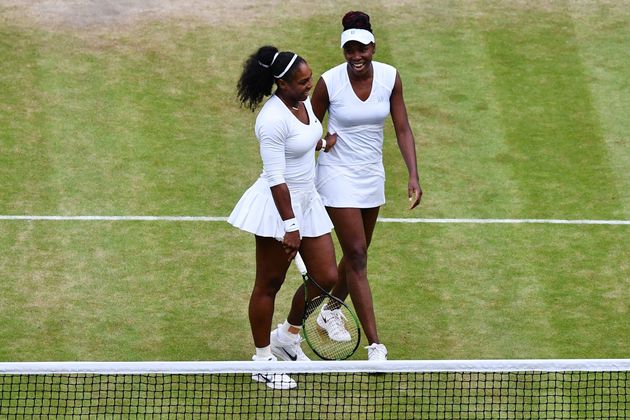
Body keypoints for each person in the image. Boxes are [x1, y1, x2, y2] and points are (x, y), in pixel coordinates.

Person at [311, 11, 423, 361]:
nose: (355, 56)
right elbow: (306, 124)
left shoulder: (391, 77)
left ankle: (330, 312)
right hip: (336, 173)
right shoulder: (329, 82)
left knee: (357, 253)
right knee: (357, 255)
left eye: (361, 49)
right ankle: (376, 346)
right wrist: (321, 141)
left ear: (373, 46)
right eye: (349, 50)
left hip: (372, 175)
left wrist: (413, 175)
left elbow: (402, 127)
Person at [228, 45, 338, 389]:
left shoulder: (300, 103)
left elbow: (302, 139)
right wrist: (290, 227)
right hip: (279, 208)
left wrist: (321, 144)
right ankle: (262, 360)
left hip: (308, 200)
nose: (310, 86)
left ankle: (288, 336)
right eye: (303, 82)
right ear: (282, 83)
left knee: (326, 277)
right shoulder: (271, 120)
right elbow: (276, 177)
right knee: (269, 284)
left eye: (309, 79)